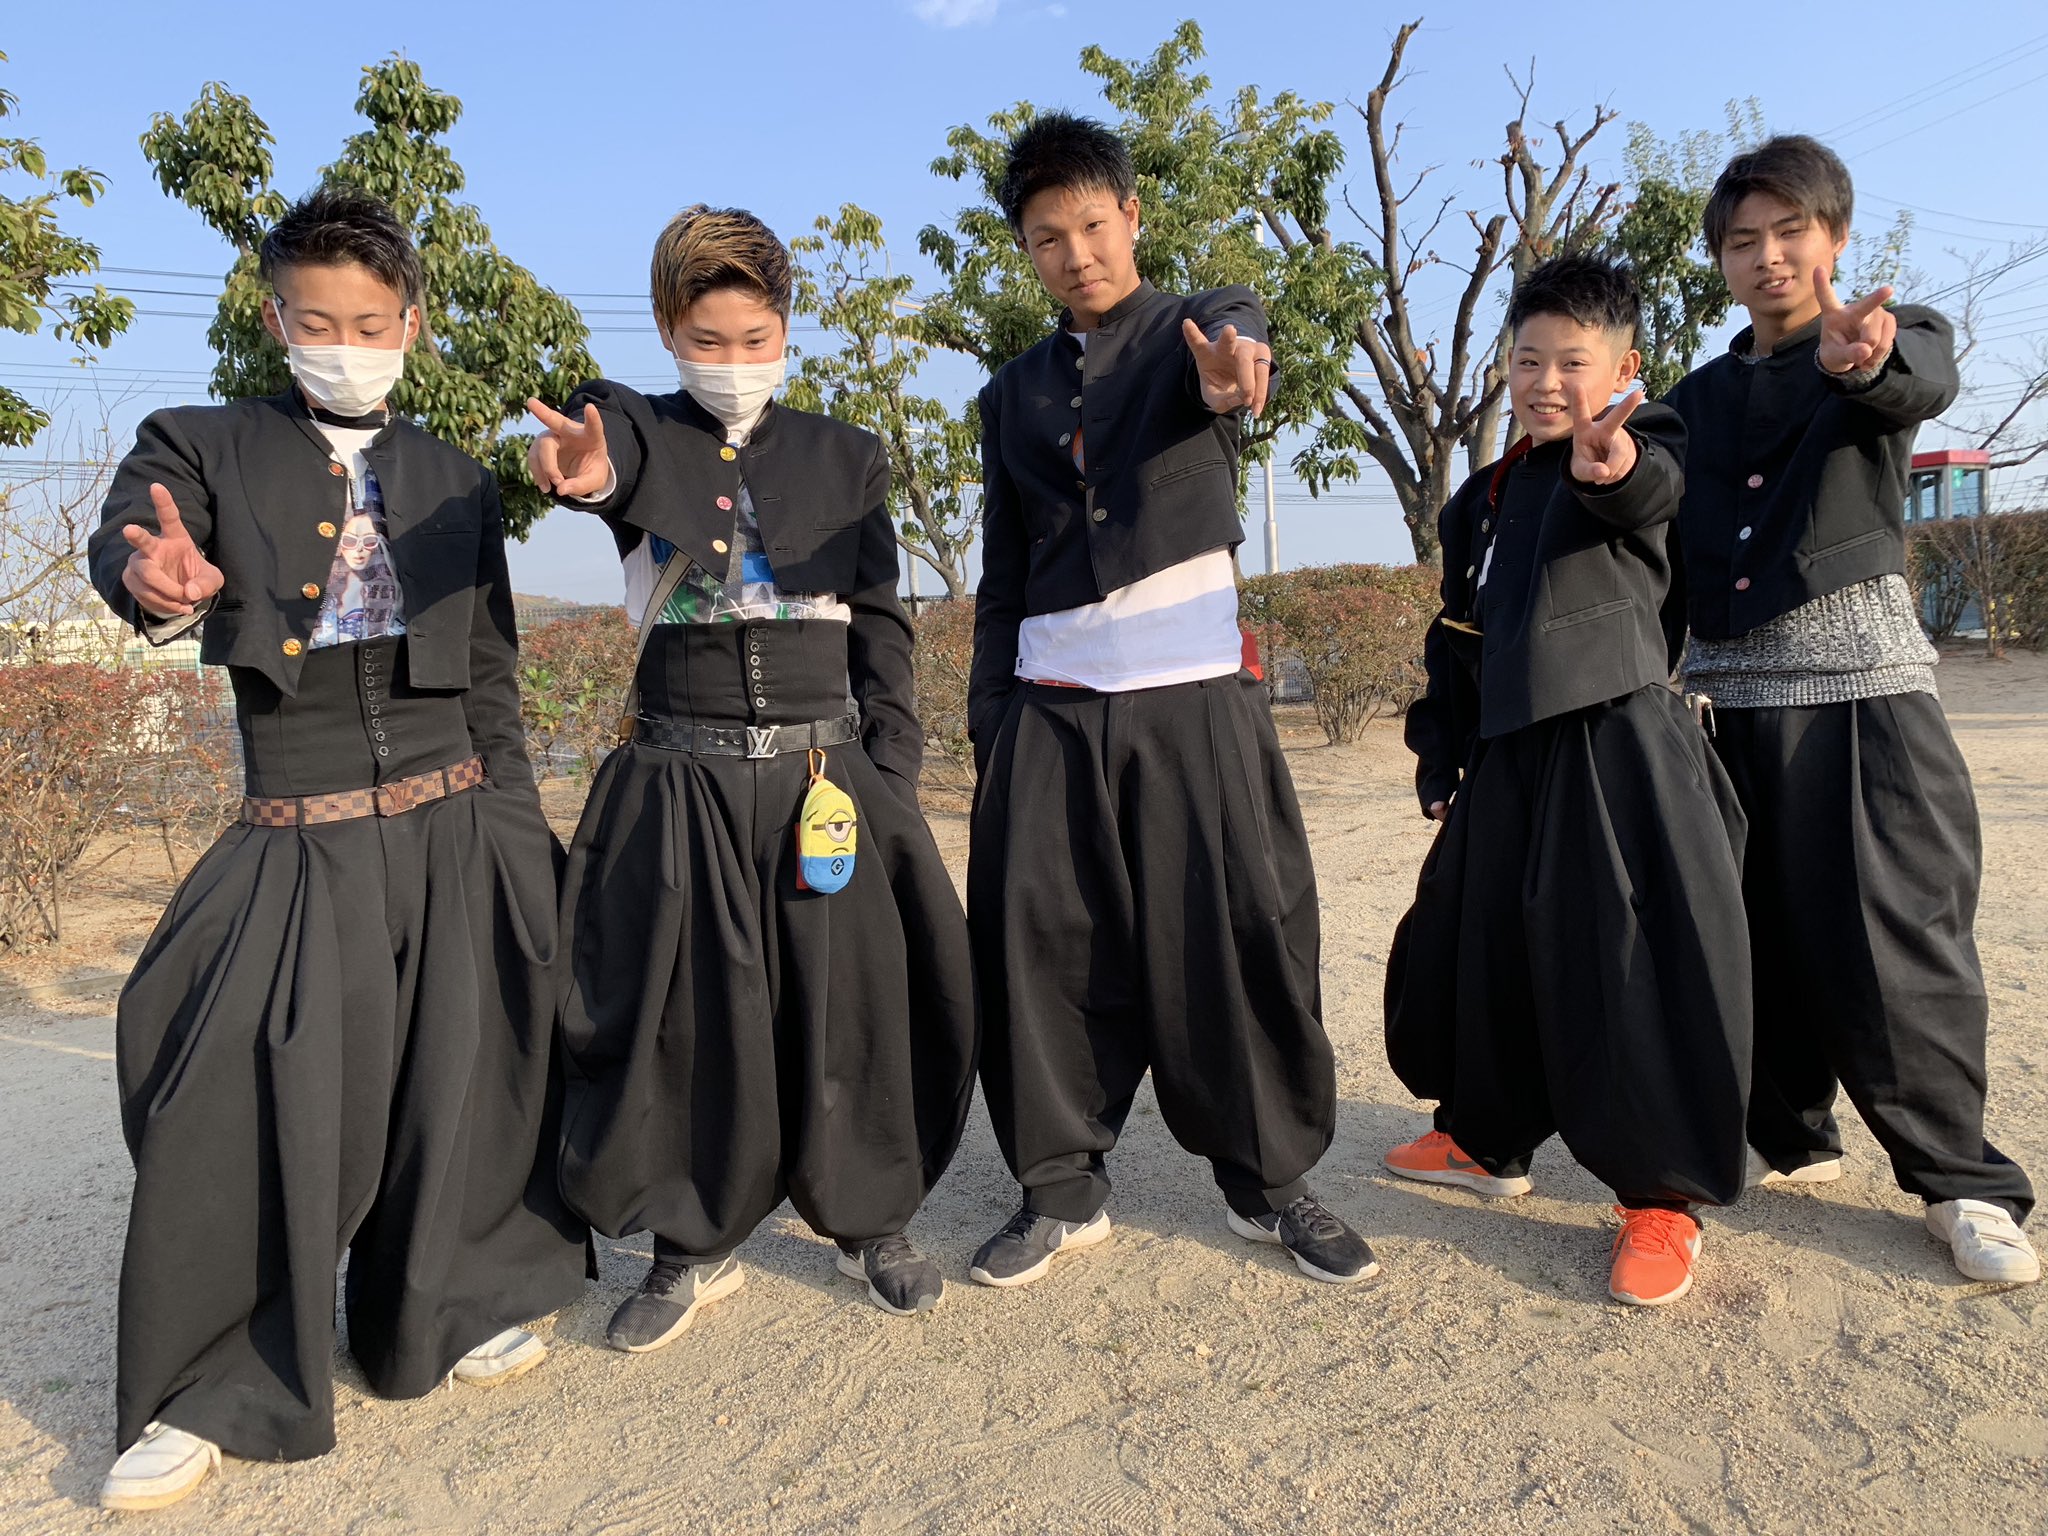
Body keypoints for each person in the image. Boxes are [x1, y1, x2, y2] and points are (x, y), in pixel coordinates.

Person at [85, 185, 586, 1512]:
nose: (344, 340)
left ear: (410, 323)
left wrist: (517, 839)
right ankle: (208, 1376)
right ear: (274, 317)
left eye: (369, 320)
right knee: (244, 1093)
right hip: (294, 830)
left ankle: (444, 1306)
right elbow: (129, 537)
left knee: (456, 1082)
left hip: (451, 815)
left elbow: (489, 676)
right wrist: (151, 580)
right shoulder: (199, 442)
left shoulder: (453, 477)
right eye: (317, 318)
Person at [528, 205, 977, 1346]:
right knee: (695, 1015)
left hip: (826, 776)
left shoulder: (845, 453)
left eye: (757, 336)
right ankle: (693, 1239)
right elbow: (604, 451)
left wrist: (890, 771)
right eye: (708, 339)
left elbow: (882, 624)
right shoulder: (628, 427)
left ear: (787, 329)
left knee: (849, 1005)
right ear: (671, 331)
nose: (734, 362)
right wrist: (587, 474)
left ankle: (870, 1218)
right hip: (681, 775)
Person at [964, 113, 1378, 1289]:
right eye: (1045, 238)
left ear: (1130, 216)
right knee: (1043, 952)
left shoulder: (1201, 327)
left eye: (1091, 225)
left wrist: (1229, 371)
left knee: (1235, 937)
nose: (1074, 252)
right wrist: (994, 720)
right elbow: (1002, 570)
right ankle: (1057, 1189)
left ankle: (1270, 1183)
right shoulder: (1009, 397)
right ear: (1026, 250)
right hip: (1048, 706)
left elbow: (1237, 351)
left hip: (1192, 699)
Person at [1667, 135, 2038, 1283]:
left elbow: (1912, 375)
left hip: (1862, 696)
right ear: (1721, 263)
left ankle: (1960, 1185)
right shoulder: (1692, 399)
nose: (1767, 258)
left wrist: (1860, 359)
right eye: (1742, 242)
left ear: (1831, 239)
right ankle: (1788, 1133)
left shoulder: (1882, 338)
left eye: (1789, 234)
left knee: (1898, 942)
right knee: (1747, 936)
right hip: (1721, 708)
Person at [1382, 254, 1753, 1307]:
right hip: (1505, 757)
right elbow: (1454, 639)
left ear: (1623, 369)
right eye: (1527, 359)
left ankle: (1658, 1197)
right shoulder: (1478, 499)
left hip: (1614, 743)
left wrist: (1613, 463)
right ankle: (1486, 1139)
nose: (1545, 381)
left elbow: (1650, 489)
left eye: (1572, 363)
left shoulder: (1648, 445)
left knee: (1626, 963)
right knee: (1474, 945)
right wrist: (1441, 758)